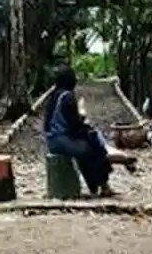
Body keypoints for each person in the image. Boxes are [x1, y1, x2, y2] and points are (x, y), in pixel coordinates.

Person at [44, 63, 116, 196]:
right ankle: (101, 184)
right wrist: (85, 127)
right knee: (90, 149)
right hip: (62, 140)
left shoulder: (54, 95)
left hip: (51, 140)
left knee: (86, 146)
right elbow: (74, 125)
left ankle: (95, 185)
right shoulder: (67, 97)